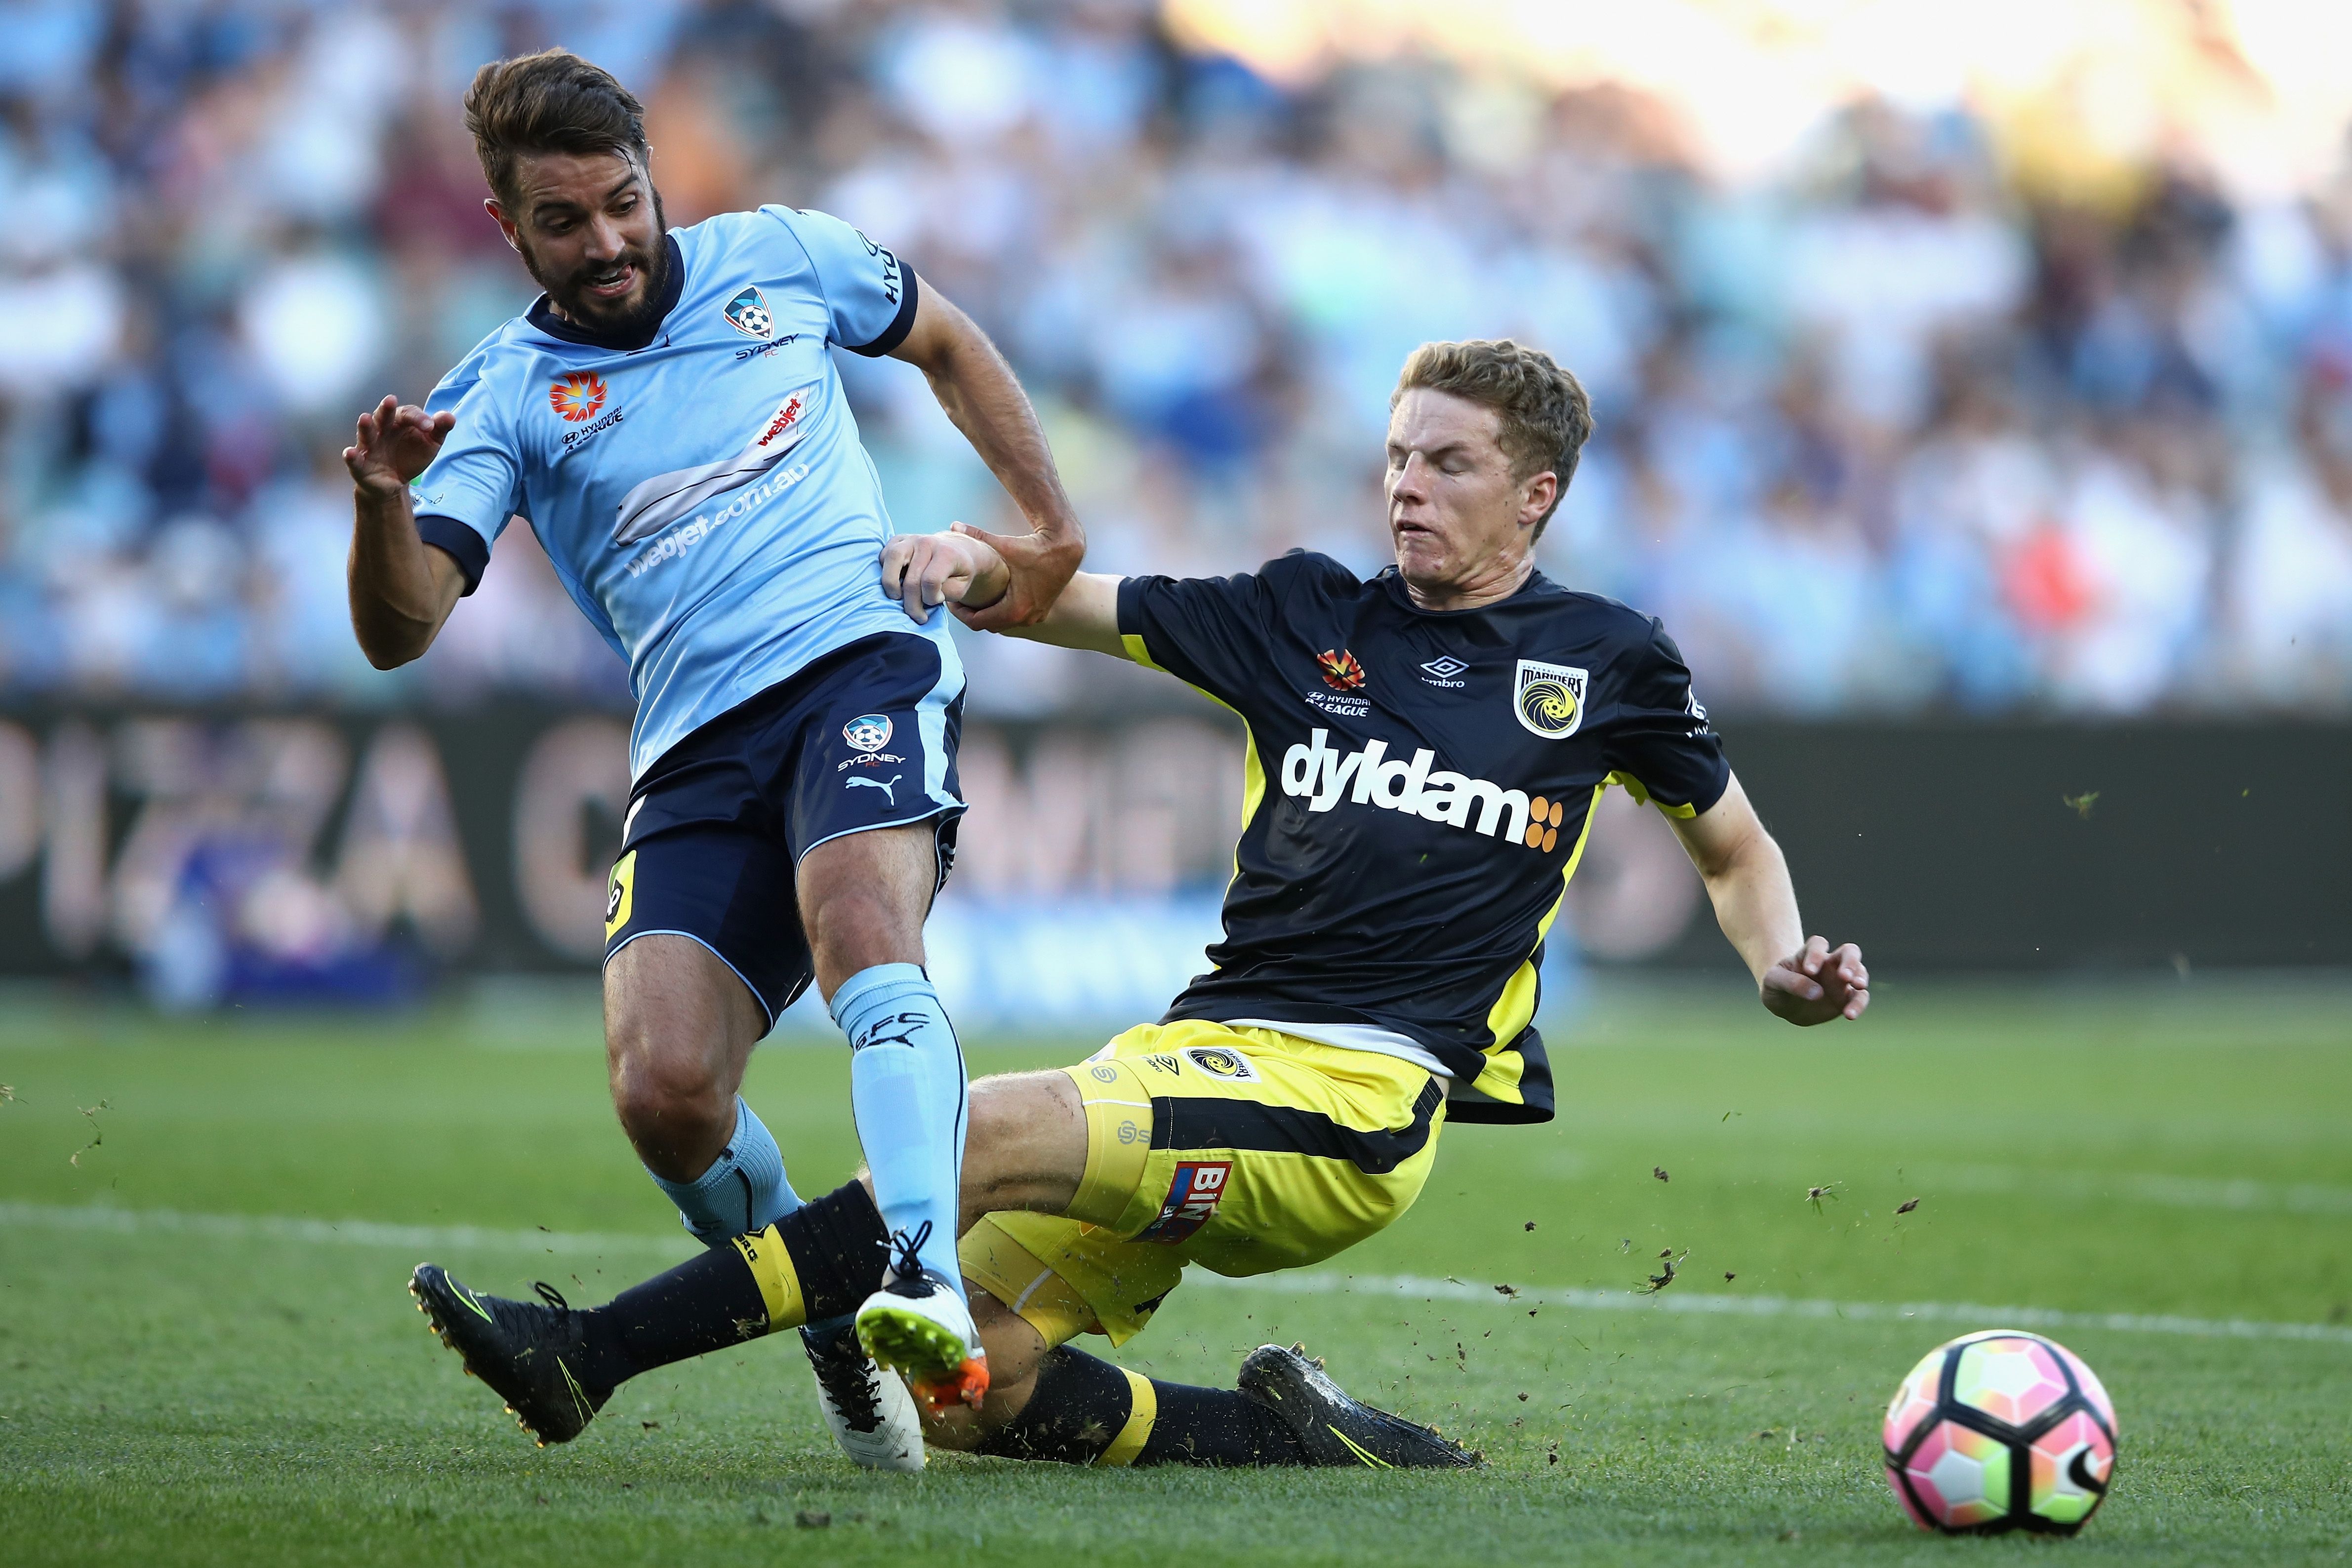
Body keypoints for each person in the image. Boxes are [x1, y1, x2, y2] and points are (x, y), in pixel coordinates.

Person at [410, 337, 1868, 1470]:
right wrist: (977, 560)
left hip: (1356, 1100)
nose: (1405, 485)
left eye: (1447, 464)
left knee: (968, 1130)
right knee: (970, 1388)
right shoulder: (1309, 614)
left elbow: (1731, 848)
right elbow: (1076, 602)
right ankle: (1294, 1439)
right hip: (1197, 1055)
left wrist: (1779, 963)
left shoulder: (1607, 661)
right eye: (1395, 457)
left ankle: (585, 1352)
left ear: (1535, 494)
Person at [347, 49, 1083, 1468]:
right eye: (564, 222)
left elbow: (945, 337)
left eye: (623, 202)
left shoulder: (785, 258)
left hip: (861, 657)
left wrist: (1046, 529)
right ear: (508, 228)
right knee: (665, 1093)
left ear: (652, 177)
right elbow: (403, 627)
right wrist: (383, 506)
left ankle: (921, 1281)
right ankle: (824, 1303)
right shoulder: (499, 394)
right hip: (693, 741)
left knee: (868, 941)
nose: (608, 241)